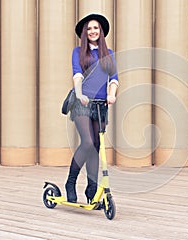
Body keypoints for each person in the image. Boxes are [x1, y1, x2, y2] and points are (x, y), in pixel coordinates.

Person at [65, 14, 118, 204]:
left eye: (96, 28)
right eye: (89, 28)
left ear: (101, 32)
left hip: (100, 105)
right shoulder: (78, 51)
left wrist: (112, 95)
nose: (93, 31)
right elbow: (77, 75)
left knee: (96, 146)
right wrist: (79, 94)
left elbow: (114, 79)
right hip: (82, 103)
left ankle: (92, 189)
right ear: (84, 33)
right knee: (87, 142)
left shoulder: (108, 53)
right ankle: (70, 183)